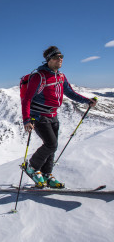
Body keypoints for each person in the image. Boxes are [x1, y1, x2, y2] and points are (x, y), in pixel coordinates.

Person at [21, 46, 97, 188]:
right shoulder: (39, 76)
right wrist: (26, 119)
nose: (60, 59)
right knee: (51, 144)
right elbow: (27, 99)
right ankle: (31, 167)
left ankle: (46, 174)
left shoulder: (60, 76)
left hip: (53, 115)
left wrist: (87, 101)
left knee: (53, 146)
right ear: (49, 60)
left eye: (61, 56)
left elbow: (70, 93)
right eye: (56, 57)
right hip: (38, 116)